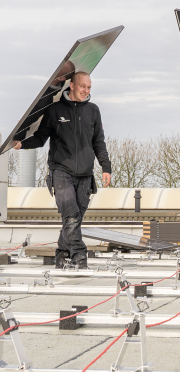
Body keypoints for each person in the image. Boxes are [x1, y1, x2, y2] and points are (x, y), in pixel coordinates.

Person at [13, 71, 112, 269]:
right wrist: (21, 144)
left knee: (72, 220)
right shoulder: (55, 110)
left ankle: (61, 253)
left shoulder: (93, 110)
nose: (86, 90)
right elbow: (40, 138)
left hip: (85, 175)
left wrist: (105, 167)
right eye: (82, 86)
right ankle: (79, 256)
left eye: (89, 87)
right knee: (72, 215)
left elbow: (98, 141)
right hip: (61, 172)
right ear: (72, 86)